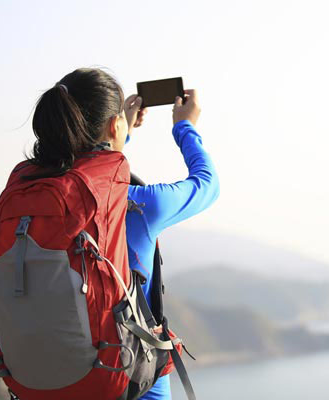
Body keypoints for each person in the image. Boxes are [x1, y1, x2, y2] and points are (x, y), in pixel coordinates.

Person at [91, 77, 219, 399]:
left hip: (59, 376)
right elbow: (207, 183)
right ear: (111, 126)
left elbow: (88, 175)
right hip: (131, 376)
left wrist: (122, 133)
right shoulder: (139, 205)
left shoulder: (43, 206)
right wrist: (184, 126)